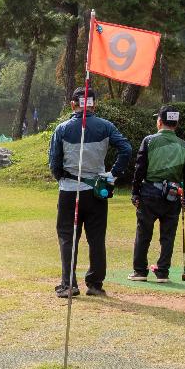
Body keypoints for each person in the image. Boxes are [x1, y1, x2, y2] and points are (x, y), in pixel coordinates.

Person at [48, 90, 132, 298]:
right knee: (96, 238)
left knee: (68, 237)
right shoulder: (106, 126)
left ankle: (68, 284)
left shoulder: (62, 129)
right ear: (94, 104)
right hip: (96, 190)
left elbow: (54, 161)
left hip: (69, 190)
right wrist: (112, 174)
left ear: (72, 104)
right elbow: (126, 149)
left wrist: (61, 177)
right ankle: (95, 283)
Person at [130, 106, 185, 283]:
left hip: (149, 193)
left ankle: (140, 271)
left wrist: (135, 193)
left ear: (159, 121)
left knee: (143, 233)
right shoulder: (183, 145)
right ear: (176, 123)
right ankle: (163, 272)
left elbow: (139, 169)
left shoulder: (149, 141)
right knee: (168, 236)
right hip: (173, 195)